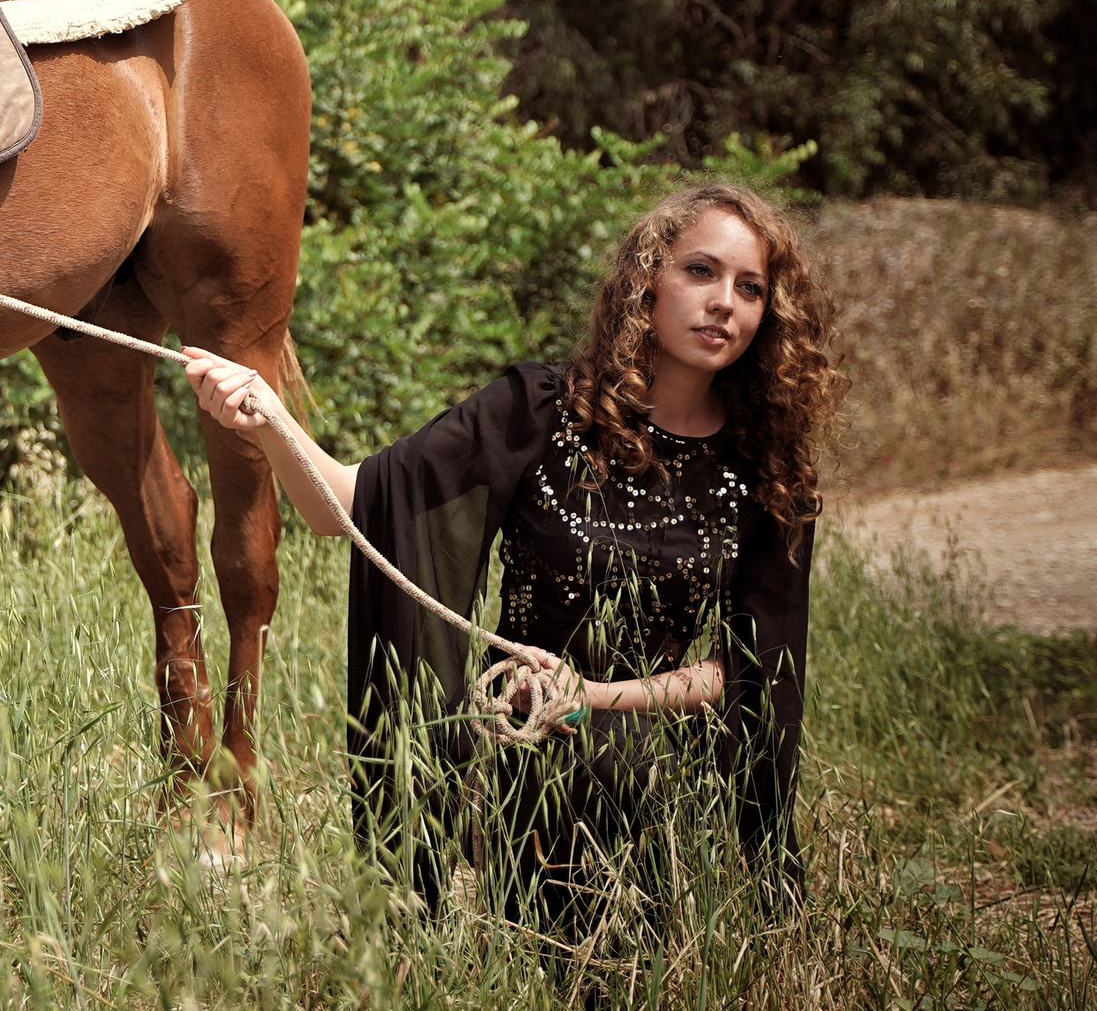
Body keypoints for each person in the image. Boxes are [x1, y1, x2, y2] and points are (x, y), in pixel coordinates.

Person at [184, 183, 834, 937]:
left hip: (655, 758)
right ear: (647, 279)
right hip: (517, 737)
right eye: (701, 271)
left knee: (614, 762)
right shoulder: (540, 409)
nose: (725, 301)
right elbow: (358, 505)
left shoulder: (768, 466)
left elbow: (742, 670)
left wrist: (593, 693)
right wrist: (268, 418)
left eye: (750, 287)